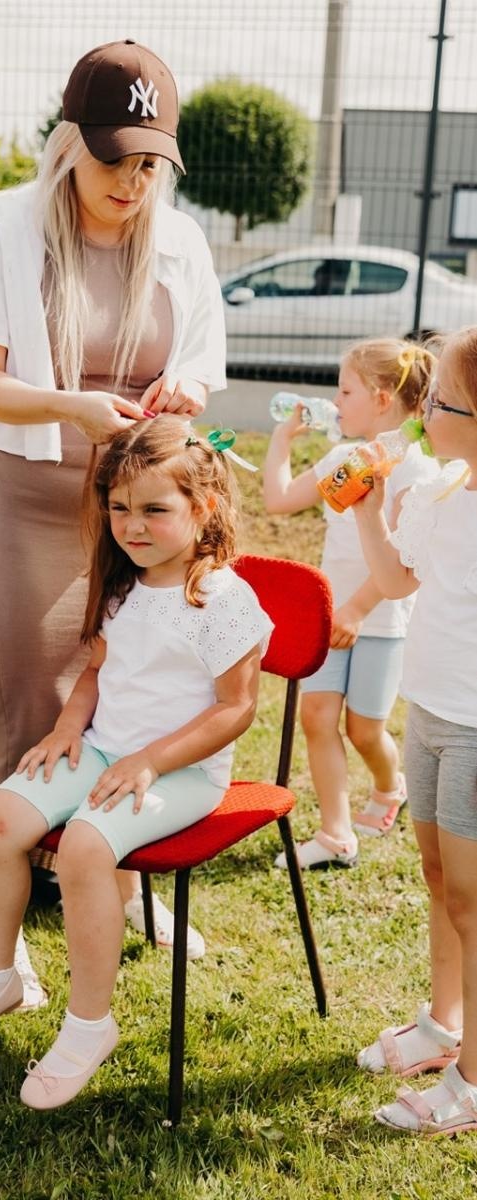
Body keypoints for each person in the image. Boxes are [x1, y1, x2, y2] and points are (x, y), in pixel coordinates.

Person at [0, 39, 227, 964]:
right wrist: (68, 406)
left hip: (144, 510)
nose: (130, 182)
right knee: (25, 703)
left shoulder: (179, 240)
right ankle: (0, 926)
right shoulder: (1, 225)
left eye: (149, 162)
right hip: (33, 494)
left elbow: (205, 365)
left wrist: (182, 395)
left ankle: (121, 883)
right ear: (68, 141)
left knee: (140, 698)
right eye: (112, 157)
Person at [0, 415, 272, 1108]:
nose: (131, 525)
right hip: (105, 749)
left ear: (202, 509)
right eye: (118, 507)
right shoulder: (121, 582)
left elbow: (235, 709)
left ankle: (89, 1024)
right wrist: (65, 727)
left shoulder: (223, 599)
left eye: (153, 509)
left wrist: (149, 759)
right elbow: (96, 670)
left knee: (85, 848)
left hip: (181, 772)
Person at [350, 327, 477, 1135]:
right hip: (428, 711)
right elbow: (397, 578)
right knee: (441, 883)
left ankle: (470, 1080)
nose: (423, 410)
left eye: (437, 403)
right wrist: (368, 506)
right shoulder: (443, 493)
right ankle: (443, 1024)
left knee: (473, 901)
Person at [262, 339, 439, 870]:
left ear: (382, 398)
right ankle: (336, 834)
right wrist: (280, 438)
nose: (335, 402)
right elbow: (278, 500)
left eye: (345, 390)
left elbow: (403, 560)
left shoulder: (415, 472)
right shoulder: (344, 458)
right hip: (331, 616)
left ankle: (389, 787)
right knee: (318, 717)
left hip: (381, 621)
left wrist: (358, 611)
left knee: (365, 729)